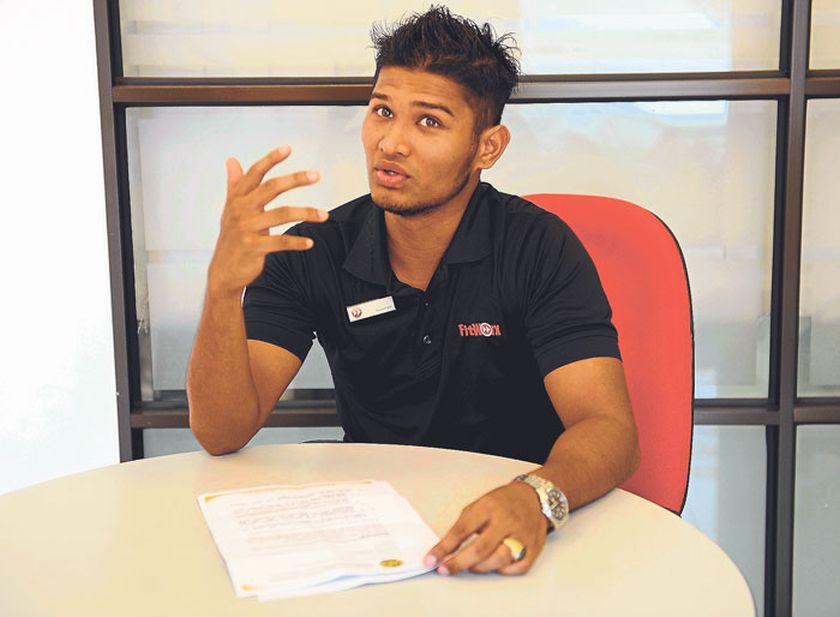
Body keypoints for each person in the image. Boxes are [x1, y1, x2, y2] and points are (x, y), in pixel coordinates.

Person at [187, 6, 640, 577]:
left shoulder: (539, 247)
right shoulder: (313, 249)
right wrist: (221, 290)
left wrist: (535, 497)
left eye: (428, 122)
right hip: (373, 533)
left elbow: (610, 430)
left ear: (488, 147)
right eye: (383, 111)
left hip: (510, 523)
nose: (391, 143)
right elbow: (222, 432)